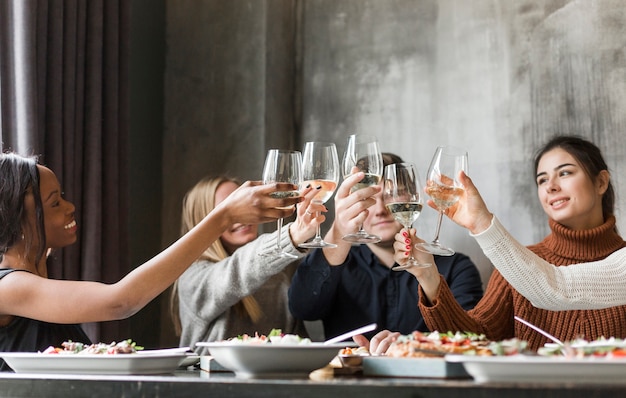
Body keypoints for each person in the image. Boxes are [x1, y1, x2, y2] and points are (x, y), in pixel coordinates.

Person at [0, 152, 304, 371]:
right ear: (16, 215)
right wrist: (222, 216)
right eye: (55, 202)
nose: (70, 207)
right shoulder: (8, 286)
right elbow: (121, 301)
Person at [391, 135, 626, 351]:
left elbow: (555, 287)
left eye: (565, 173)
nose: (551, 186)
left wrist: (481, 222)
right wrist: (428, 276)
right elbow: (476, 339)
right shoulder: (515, 261)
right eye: (542, 179)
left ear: (601, 183)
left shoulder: (516, 262)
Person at [288, 153, 483, 349]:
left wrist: (409, 346)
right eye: (369, 198)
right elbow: (303, 309)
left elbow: (471, 339)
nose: (381, 209)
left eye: (393, 194)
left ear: (413, 196)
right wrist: (339, 231)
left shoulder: (456, 268)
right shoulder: (339, 264)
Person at [171, 176, 324, 355]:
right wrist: (292, 235)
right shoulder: (192, 278)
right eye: (230, 211)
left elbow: (299, 345)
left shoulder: (277, 280)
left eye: (244, 207)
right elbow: (236, 272)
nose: (242, 219)